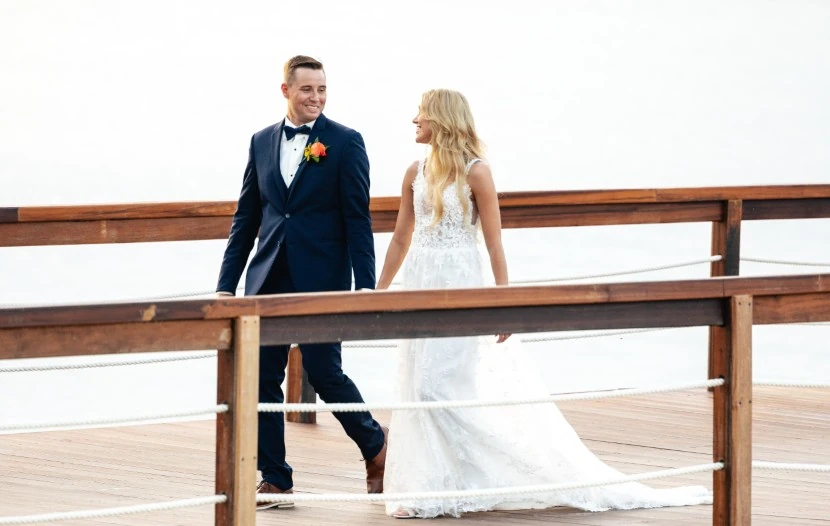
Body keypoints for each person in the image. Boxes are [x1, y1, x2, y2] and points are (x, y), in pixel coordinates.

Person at [376, 88, 713, 519]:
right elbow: (402, 236)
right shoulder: (414, 171)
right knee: (416, 386)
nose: (413, 120)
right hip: (419, 287)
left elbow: (494, 241)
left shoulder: (477, 172)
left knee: (440, 387)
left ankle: (511, 468)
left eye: (420, 114)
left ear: (441, 120)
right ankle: (434, 487)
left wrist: (505, 303)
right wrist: (380, 292)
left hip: (461, 286)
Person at [215, 55, 388, 510]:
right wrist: (226, 285)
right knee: (260, 377)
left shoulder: (346, 143)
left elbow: (357, 219)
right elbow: (247, 218)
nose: (316, 98)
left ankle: (375, 446)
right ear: (286, 91)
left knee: (325, 372)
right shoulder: (261, 141)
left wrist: (365, 285)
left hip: (322, 279)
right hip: (267, 277)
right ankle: (276, 479)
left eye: (322, 90)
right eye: (307, 90)